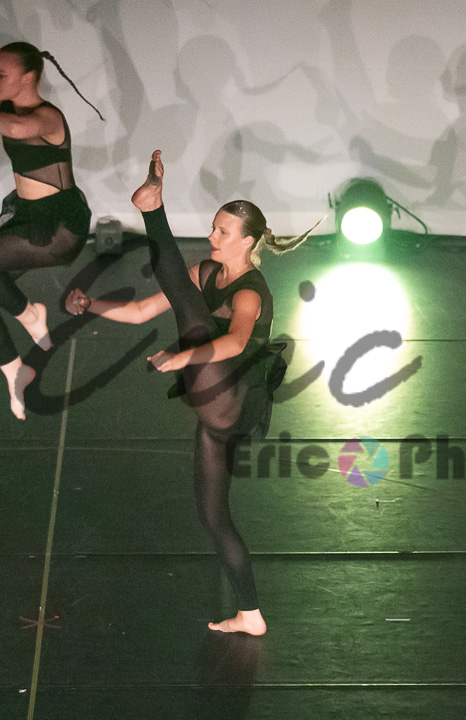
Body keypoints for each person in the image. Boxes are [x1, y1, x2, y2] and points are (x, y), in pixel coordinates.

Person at [67, 151, 315, 635]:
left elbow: (236, 342)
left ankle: (152, 210)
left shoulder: (250, 292)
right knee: (213, 518)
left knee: (193, 314)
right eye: (214, 227)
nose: (212, 236)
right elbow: (141, 312)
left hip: (235, 397)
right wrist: (90, 304)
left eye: (223, 232)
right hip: (214, 416)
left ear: (248, 242)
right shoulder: (206, 273)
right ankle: (251, 615)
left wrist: (182, 359)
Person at [0, 41, 102, 418]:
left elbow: (16, 128)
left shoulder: (47, 117)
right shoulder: (6, 108)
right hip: (28, 218)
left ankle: (29, 314)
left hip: (59, 229)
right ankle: (15, 370)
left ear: (29, 77)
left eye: (0, 75)